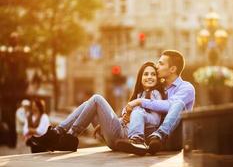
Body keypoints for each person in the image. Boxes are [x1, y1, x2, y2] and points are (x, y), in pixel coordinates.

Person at [28, 62, 166, 153]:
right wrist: (107, 124)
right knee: (87, 104)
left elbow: (155, 120)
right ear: (140, 78)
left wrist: (138, 108)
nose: (149, 77)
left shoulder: (155, 94)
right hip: (119, 133)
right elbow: (126, 119)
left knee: (96, 98)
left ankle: (69, 135)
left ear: (157, 78)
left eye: (153, 74)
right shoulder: (139, 94)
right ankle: (57, 133)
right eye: (146, 74)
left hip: (124, 138)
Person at [120, 50, 195, 155]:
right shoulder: (158, 88)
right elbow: (143, 110)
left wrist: (139, 101)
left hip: (175, 138)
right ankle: (138, 142)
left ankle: (159, 135)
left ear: (172, 69)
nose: (157, 66)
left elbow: (169, 105)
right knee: (139, 111)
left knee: (178, 104)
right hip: (153, 141)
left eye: (161, 63)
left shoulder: (186, 87)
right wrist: (120, 120)